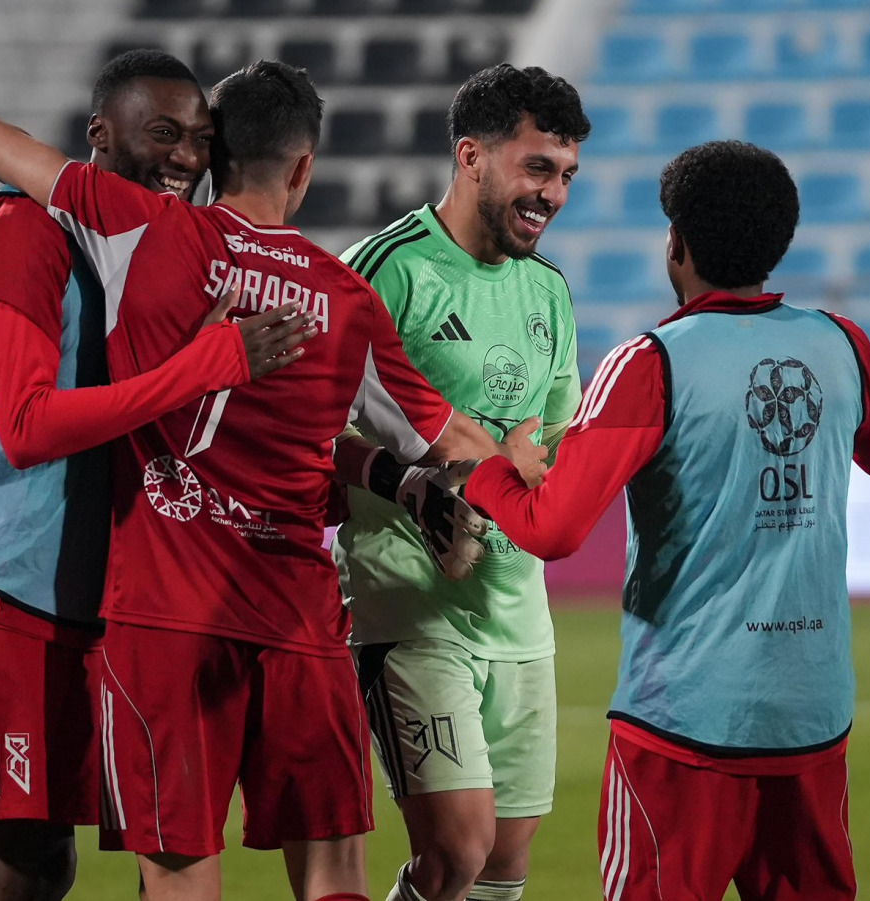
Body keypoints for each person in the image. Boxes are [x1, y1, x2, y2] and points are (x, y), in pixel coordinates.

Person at [0, 60, 537, 901]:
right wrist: (519, 466)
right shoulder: (347, 298)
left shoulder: (144, 225)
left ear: (212, 154)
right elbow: (451, 444)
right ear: (303, 168)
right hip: (297, 612)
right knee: (333, 867)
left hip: (162, 612)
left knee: (183, 871)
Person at [0, 50, 316, 901]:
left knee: (41, 861)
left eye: (202, 140)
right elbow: (24, 426)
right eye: (162, 133)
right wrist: (208, 364)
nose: (187, 158)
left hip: (74, 601)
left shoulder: (149, 264)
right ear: (98, 135)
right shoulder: (23, 230)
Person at [464, 140, 870, 901]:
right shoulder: (843, 344)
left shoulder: (650, 362)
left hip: (683, 724)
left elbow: (554, 529)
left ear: (676, 245)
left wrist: (483, 469)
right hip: (810, 712)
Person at [332, 63, 590, 901]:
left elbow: (553, 442)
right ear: (472, 156)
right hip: (408, 605)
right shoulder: (382, 270)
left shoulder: (549, 290)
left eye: (565, 176)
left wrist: (535, 468)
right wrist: (417, 481)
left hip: (519, 611)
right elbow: (308, 433)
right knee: (457, 851)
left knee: (504, 864)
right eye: (537, 168)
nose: (551, 194)